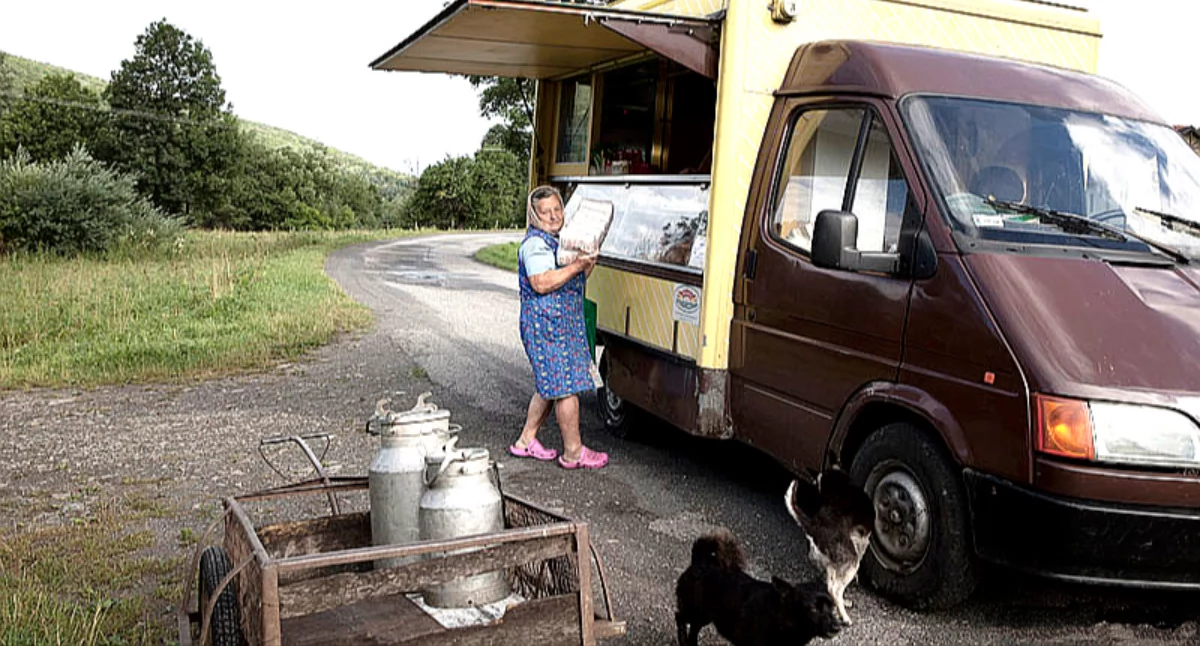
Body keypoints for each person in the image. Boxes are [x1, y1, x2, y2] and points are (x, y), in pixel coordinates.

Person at [508, 185, 610, 470]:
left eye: (557, 209)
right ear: (534, 215)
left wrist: (588, 261)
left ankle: (526, 440)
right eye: (545, 212)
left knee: (550, 385)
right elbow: (541, 283)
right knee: (566, 387)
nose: (553, 216)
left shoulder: (558, 241)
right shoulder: (535, 245)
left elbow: (577, 276)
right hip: (546, 327)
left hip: (560, 325)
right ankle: (574, 452)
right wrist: (577, 266)